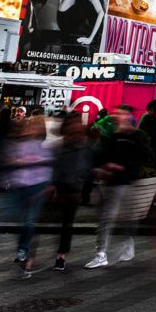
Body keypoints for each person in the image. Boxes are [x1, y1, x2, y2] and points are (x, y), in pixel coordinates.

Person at [0, 114, 52, 274]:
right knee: (4, 220)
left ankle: (22, 251)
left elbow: (46, 168)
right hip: (17, 186)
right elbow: (5, 162)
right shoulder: (13, 145)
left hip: (35, 187)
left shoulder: (41, 147)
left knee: (28, 222)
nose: (31, 130)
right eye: (30, 126)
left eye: (35, 127)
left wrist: (44, 185)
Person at [87, 104, 153, 269]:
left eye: (121, 114)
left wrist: (122, 168)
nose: (117, 116)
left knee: (108, 217)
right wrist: (100, 168)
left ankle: (102, 254)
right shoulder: (112, 135)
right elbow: (100, 154)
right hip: (108, 180)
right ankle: (126, 245)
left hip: (122, 182)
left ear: (129, 117)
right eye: (117, 113)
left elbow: (144, 157)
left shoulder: (135, 136)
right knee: (114, 217)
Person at [49, 114, 94, 272]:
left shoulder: (83, 146)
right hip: (60, 188)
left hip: (72, 189)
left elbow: (87, 168)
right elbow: (53, 166)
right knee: (62, 223)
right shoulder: (60, 146)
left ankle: (61, 255)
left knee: (66, 223)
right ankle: (59, 254)